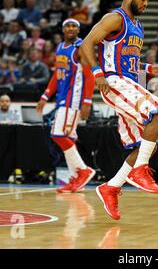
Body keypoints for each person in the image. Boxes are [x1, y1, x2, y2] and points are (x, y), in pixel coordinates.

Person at [79, 0, 158, 221]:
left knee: (145, 145)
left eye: (148, 1)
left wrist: (151, 69)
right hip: (114, 82)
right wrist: (97, 73)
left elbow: (129, 62)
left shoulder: (137, 27)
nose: (145, 5)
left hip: (128, 80)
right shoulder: (113, 18)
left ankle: (111, 187)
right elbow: (85, 43)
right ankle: (139, 171)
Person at [36, 19, 96, 193]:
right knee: (67, 137)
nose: (71, 28)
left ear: (78, 30)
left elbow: (89, 76)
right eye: (67, 26)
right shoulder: (61, 47)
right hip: (62, 98)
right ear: (62, 30)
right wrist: (45, 95)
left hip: (74, 99)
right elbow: (57, 74)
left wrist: (87, 101)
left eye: (74, 26)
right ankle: (76, 176)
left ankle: (83, 170)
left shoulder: (81, 48)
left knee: (57, 134)